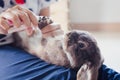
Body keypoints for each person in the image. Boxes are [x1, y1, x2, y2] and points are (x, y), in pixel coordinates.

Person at [0, 0, 120, 80]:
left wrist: (48, 28)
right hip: (3, 47)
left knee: (102, 72)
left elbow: (45, 21)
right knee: (64, 76)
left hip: (31, 44)